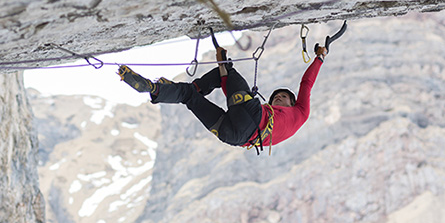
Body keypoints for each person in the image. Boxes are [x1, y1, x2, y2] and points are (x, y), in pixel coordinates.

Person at [117, 41, 328, 153]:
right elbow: (236, 104)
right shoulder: (274, 113)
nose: (279, 98)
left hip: (239, 131)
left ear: (292, 104)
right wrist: (222, 67)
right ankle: (154, 89)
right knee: (190, 94)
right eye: (277, 97)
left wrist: (319, 58)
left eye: (283, 98)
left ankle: (192, 86)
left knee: (223, 74)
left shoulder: (301, 112)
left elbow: (306, 84)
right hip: (239, 132)